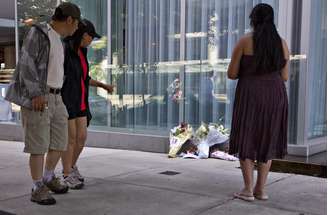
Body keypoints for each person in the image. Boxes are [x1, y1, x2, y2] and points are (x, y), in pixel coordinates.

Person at [5, 2, 81, 205]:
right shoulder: (38, 33)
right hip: (39, 96)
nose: (76, 29)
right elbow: (27, 64)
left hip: (57, 97)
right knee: (38, 144)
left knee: (60, 140)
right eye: (76, 25)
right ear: (69, 20)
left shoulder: (59, 40)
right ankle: (37, 186)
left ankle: (48, 177)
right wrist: (36, 93)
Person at [227, 3, 289, 202]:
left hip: (250, 95)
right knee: (267, 139)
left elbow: (232, 74)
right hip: (275, 95)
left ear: (253, 19)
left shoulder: (245, 41)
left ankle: (248, 189)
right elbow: (285, 76)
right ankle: (261, 189)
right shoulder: (282, 43)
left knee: (247, 137)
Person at [61, 19, 114, 189]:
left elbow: (84, 78)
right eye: (92, 37)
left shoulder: (82, 52)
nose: (92, 41)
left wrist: (102, 85)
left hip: (81, 101)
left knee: (81, 138)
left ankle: (72, 166)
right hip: (68, 99)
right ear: (84, 35)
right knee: (70, 139)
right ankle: (66, 174)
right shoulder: (65, 49)